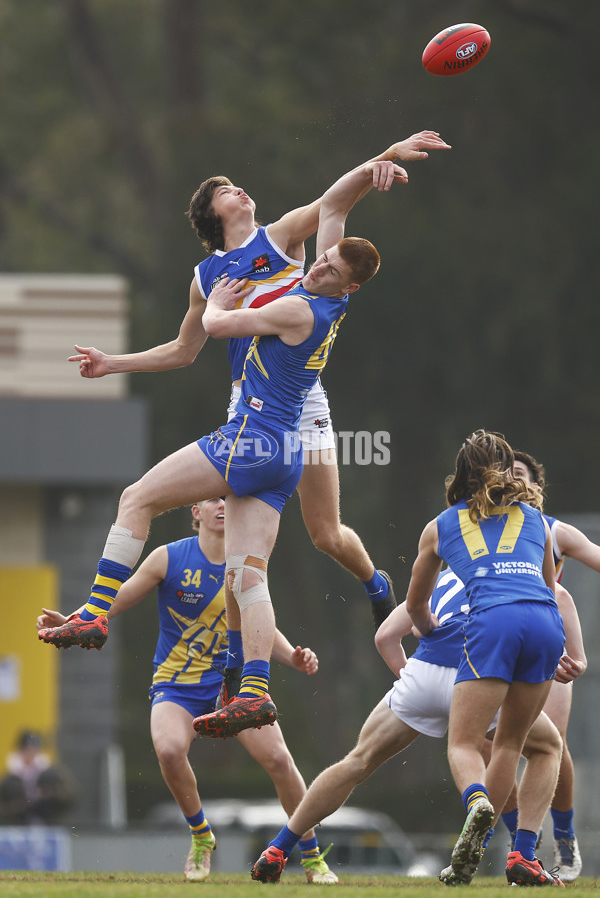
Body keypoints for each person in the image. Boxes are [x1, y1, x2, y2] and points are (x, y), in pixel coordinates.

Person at [38, 145, 410, 740]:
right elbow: (185, 351)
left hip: (293, 403)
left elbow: (335, 207)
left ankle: (372, 585)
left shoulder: (283, 238)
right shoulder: (206, 276)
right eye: (225, 188)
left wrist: (382, 159)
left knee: (321, 532)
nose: (239, 188)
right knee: (262, 563)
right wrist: (113, 364)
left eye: (237, 184)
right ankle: (251, 686)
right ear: (213, 216)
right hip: (260, 405)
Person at [37, 499, 337, 883]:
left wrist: (293, 657)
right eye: (213, 499)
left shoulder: (245, 563)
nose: (223, 505)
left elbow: (260, 623)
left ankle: (313, 859)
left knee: (280, 760)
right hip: (176, 685)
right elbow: (122, 593)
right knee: (169, 749)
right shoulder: (168, 557)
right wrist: (79, 618)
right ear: (195, 511)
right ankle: (201, 836)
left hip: (232, 687)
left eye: (229, 499)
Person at [249, 567, 583, 884]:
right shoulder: (517, 577)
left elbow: (385, 637)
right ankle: (522, 854)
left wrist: (414, 683)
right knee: (545, 747)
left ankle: (278, 848)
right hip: (479, 675)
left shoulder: (444, 574)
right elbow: (547, 614)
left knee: (357, 761)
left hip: (423, 673)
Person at [404, 430, 566, 886]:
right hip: (544, 623)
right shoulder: (536, 518)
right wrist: (560, 648)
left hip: (493, 624)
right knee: (524, 746)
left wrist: (428, 628)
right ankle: (524, 856)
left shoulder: (440, 525)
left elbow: (417, 605)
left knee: (463, 743)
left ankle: (477, 802)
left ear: (461, 473)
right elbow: (550, 589)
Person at [501, 449, 594, 881]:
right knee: (488, 746)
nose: (512, 480)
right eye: (504, 474)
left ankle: (564, 839)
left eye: (520, 474)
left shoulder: (554, 531)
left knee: (551, 743)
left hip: (548, 653)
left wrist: (575, 653)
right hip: (499, 648)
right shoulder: (478, 528)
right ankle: (523, 845)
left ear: (536, 486)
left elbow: (564, 593)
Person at [0, 730, 75, 825]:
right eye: (28, 749)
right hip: (18, 822)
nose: (31, 754)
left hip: (46, 819)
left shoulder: (50, 773)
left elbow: (68, 797)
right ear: (21, 750)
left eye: (35, 750)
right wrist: (20, 804)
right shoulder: (10, 778)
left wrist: (50, 794)